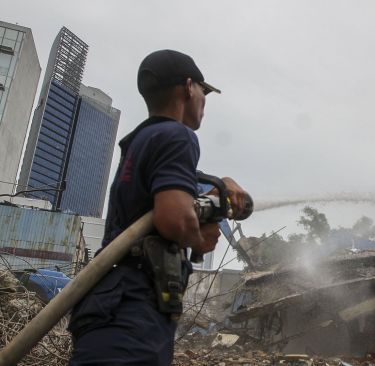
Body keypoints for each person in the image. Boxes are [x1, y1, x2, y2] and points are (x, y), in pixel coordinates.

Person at [68, 49, 247, 365]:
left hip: (108, 307)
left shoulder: (142, 140)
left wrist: (221, 183)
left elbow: (165, 196)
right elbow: (173, 219)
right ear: (189, 87)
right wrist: (198, 238)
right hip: (133, 314)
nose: (204, 102)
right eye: (204, 93)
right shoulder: (178, 136)